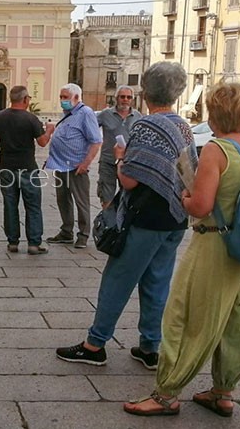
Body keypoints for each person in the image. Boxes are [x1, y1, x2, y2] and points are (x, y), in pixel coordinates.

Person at [124, 83, 240, 417]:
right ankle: (223, 392)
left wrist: (184, 196)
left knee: (186, 316)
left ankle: (166, 395)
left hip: (216, 245)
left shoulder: (216, 150)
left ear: (212, 112)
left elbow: (200, 206)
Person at [56, 62, 196, 369]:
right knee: (157, 283)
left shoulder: (146, 126)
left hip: (143, 219)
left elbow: (130, 179)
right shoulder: (184, 126)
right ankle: (150, 347)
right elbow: (189, 172)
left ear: (145, 92)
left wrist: (120, 160)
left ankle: (95, 345)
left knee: (117, 281)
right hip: (174, 220)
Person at [0, 85, 54, 254]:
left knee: (10, 205)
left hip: (6, 168)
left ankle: (13, 242)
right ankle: (33, 243)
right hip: (28, 169)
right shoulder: (31, 119)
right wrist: (49, 131)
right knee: (33, 205)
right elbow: (42, 142)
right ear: (25, 99)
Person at [44, 83, 102, 249]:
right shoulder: (67, 114)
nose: (63, 100)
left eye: (66, 97)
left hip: (76, 168)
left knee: (81, 202)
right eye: (61, 97)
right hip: (60, 165)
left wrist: (85, 163)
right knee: (63, 200)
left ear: (77, 98)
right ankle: (66, 232)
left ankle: (83, 235)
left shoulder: (85, 113)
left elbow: (96, 141)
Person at [96, 86, 142, 208]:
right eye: (122, 96)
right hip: (108, 162)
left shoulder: (138, 117)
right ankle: (108, 224)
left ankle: (122, 225)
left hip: (128, 163)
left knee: (127, 198)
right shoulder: (105, 114)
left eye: (128, 97)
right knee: (106, 197)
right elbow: (91, 129)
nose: (125, 99)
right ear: (117, 98)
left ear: (132, 99)